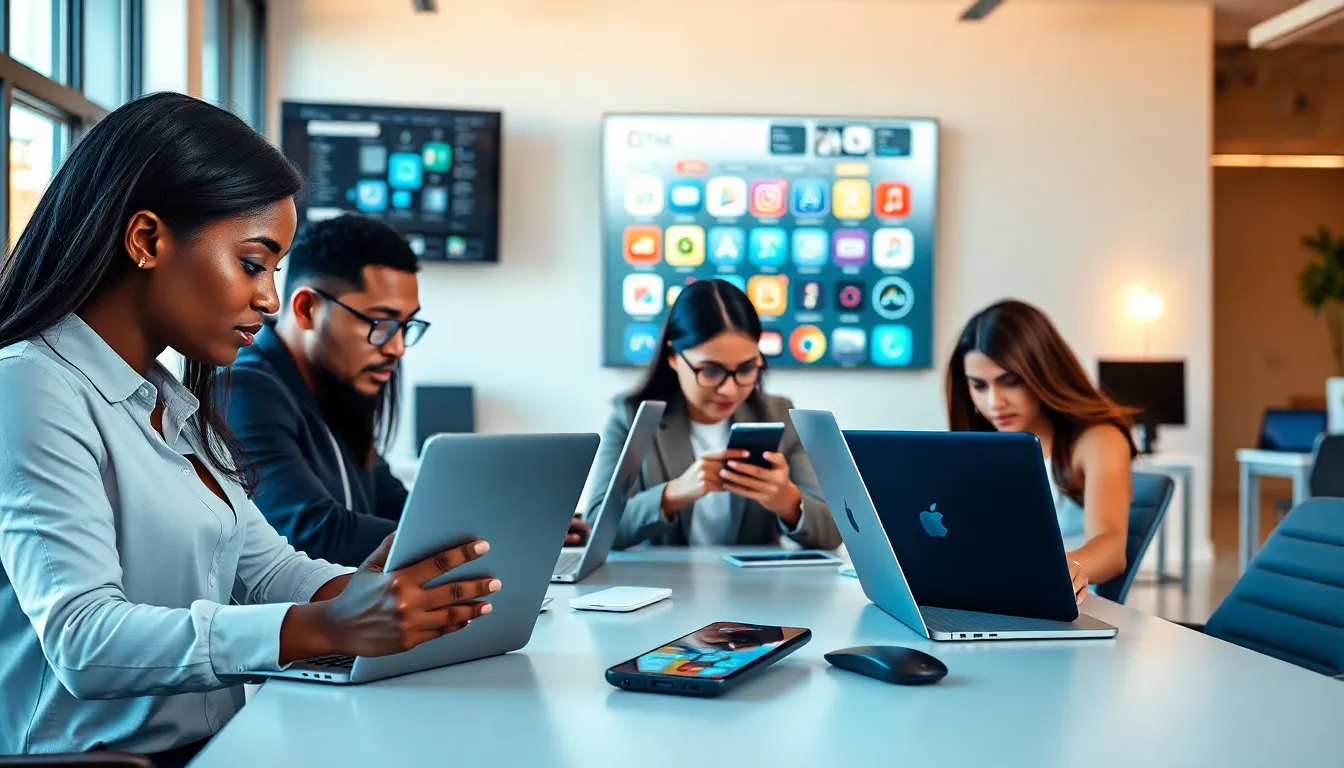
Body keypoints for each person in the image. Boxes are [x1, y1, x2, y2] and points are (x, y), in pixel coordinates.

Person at [0, 93, 498, 764]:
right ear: (147, 240)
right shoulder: (29, 384)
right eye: (252, 263)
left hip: (219, 744)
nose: (268, 299)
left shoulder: (171, 400)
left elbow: (268, 571)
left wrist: (370, 591)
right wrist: (321, 625)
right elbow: (83, 639)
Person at [225, 214, 589, 566]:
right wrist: (495, 538)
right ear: (307, 309)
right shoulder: (245, 388)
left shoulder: (338, 387)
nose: (397, 347)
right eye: (381, 323)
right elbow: (315, 532)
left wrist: (517, 525)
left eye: (406, 325)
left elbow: (398, 505)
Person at [592, 279, 841, 551]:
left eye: (746, 369)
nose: (729, 389)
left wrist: (788, 501)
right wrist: (673, 494)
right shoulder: (630, 416)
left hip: (755, 588)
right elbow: (597, 525)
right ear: (673, 356)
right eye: (710, 371)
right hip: (659, 587)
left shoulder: (779, 414)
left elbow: (833, 534)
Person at [946, 299, 1136, 603]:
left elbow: (1112, 547)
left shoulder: (1098, 439)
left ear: (1044, 372)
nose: (994, 403)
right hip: (997, 598)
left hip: (1069, 605)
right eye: (979, 386)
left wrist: (1062, 568)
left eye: (1010, 382)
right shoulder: (982, 443)